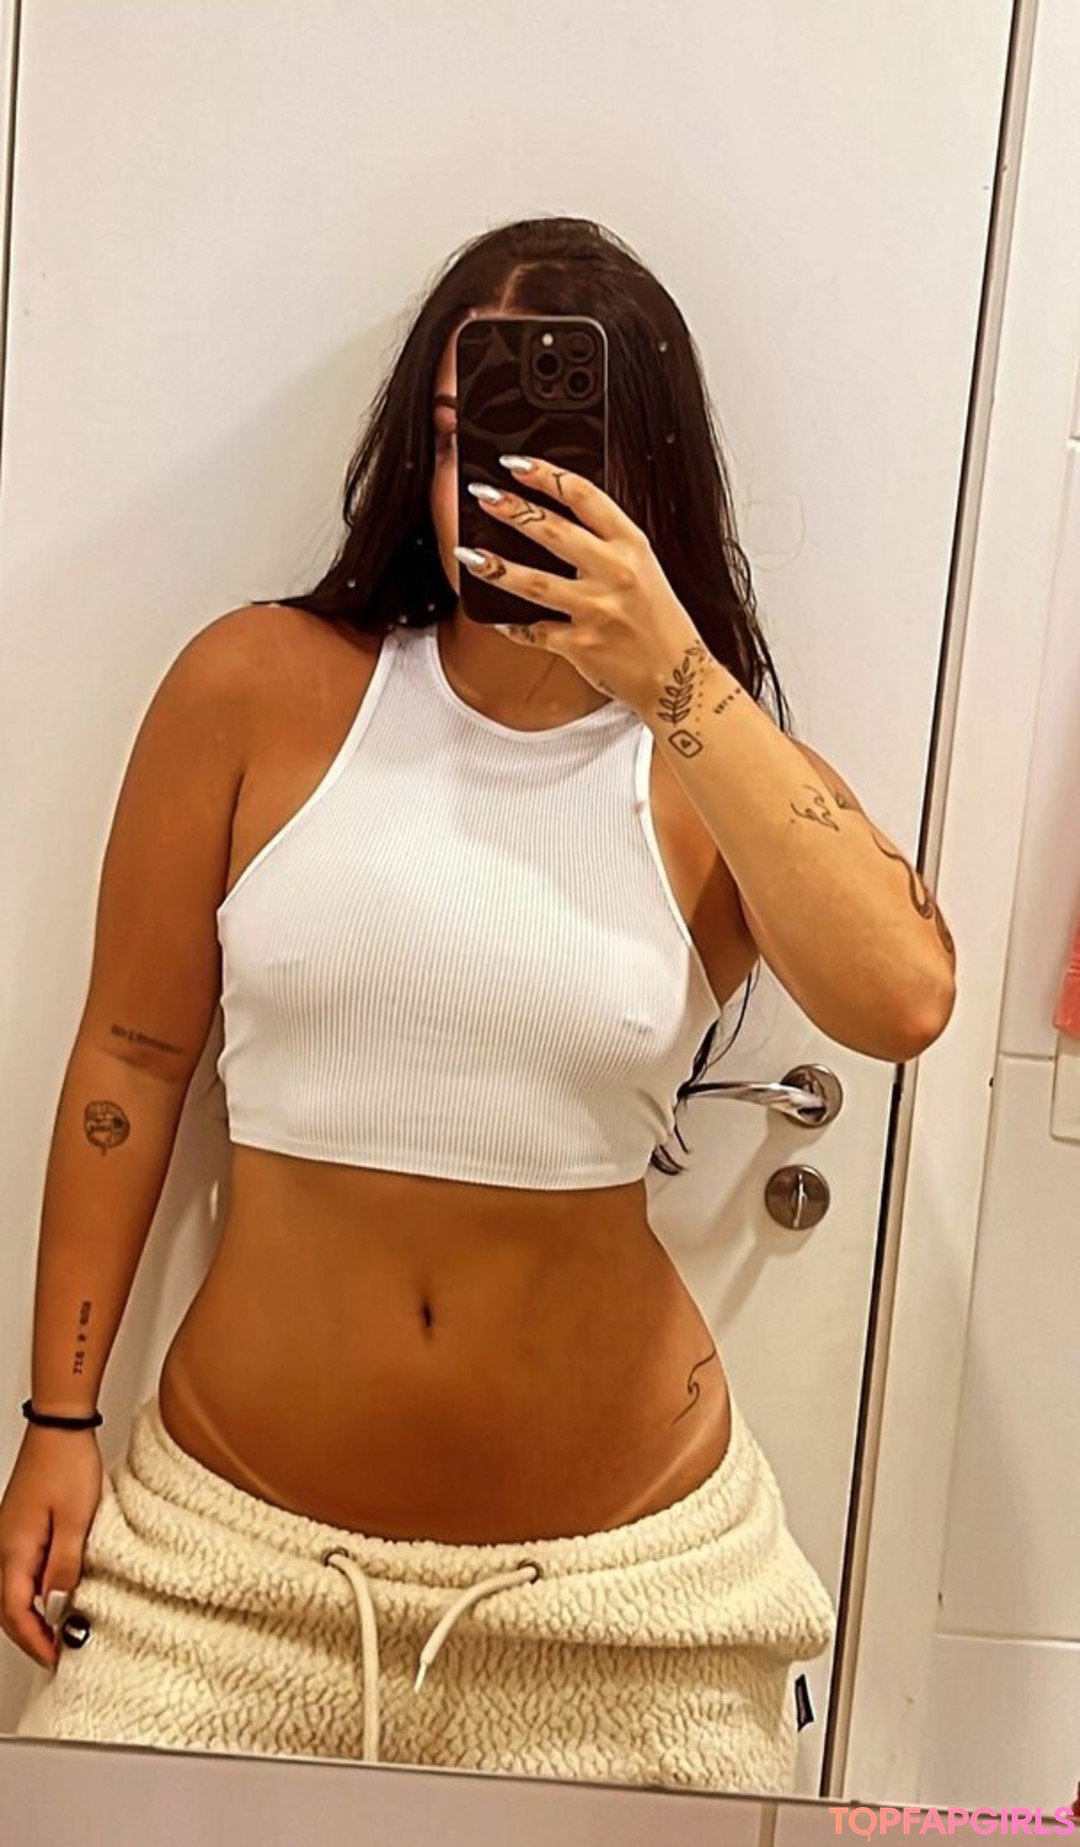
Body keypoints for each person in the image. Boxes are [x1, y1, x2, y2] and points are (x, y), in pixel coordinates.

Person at [0, 216, 956, 1792]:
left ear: (647, 476)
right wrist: (58, 1416)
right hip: (225, 1574)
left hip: (629, 1602)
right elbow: (132, 1055)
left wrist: (673, 670)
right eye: (460, 441)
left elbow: (905, 998)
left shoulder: (703, 765)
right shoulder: (257, 688)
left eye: (557, 447)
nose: (494, 488)